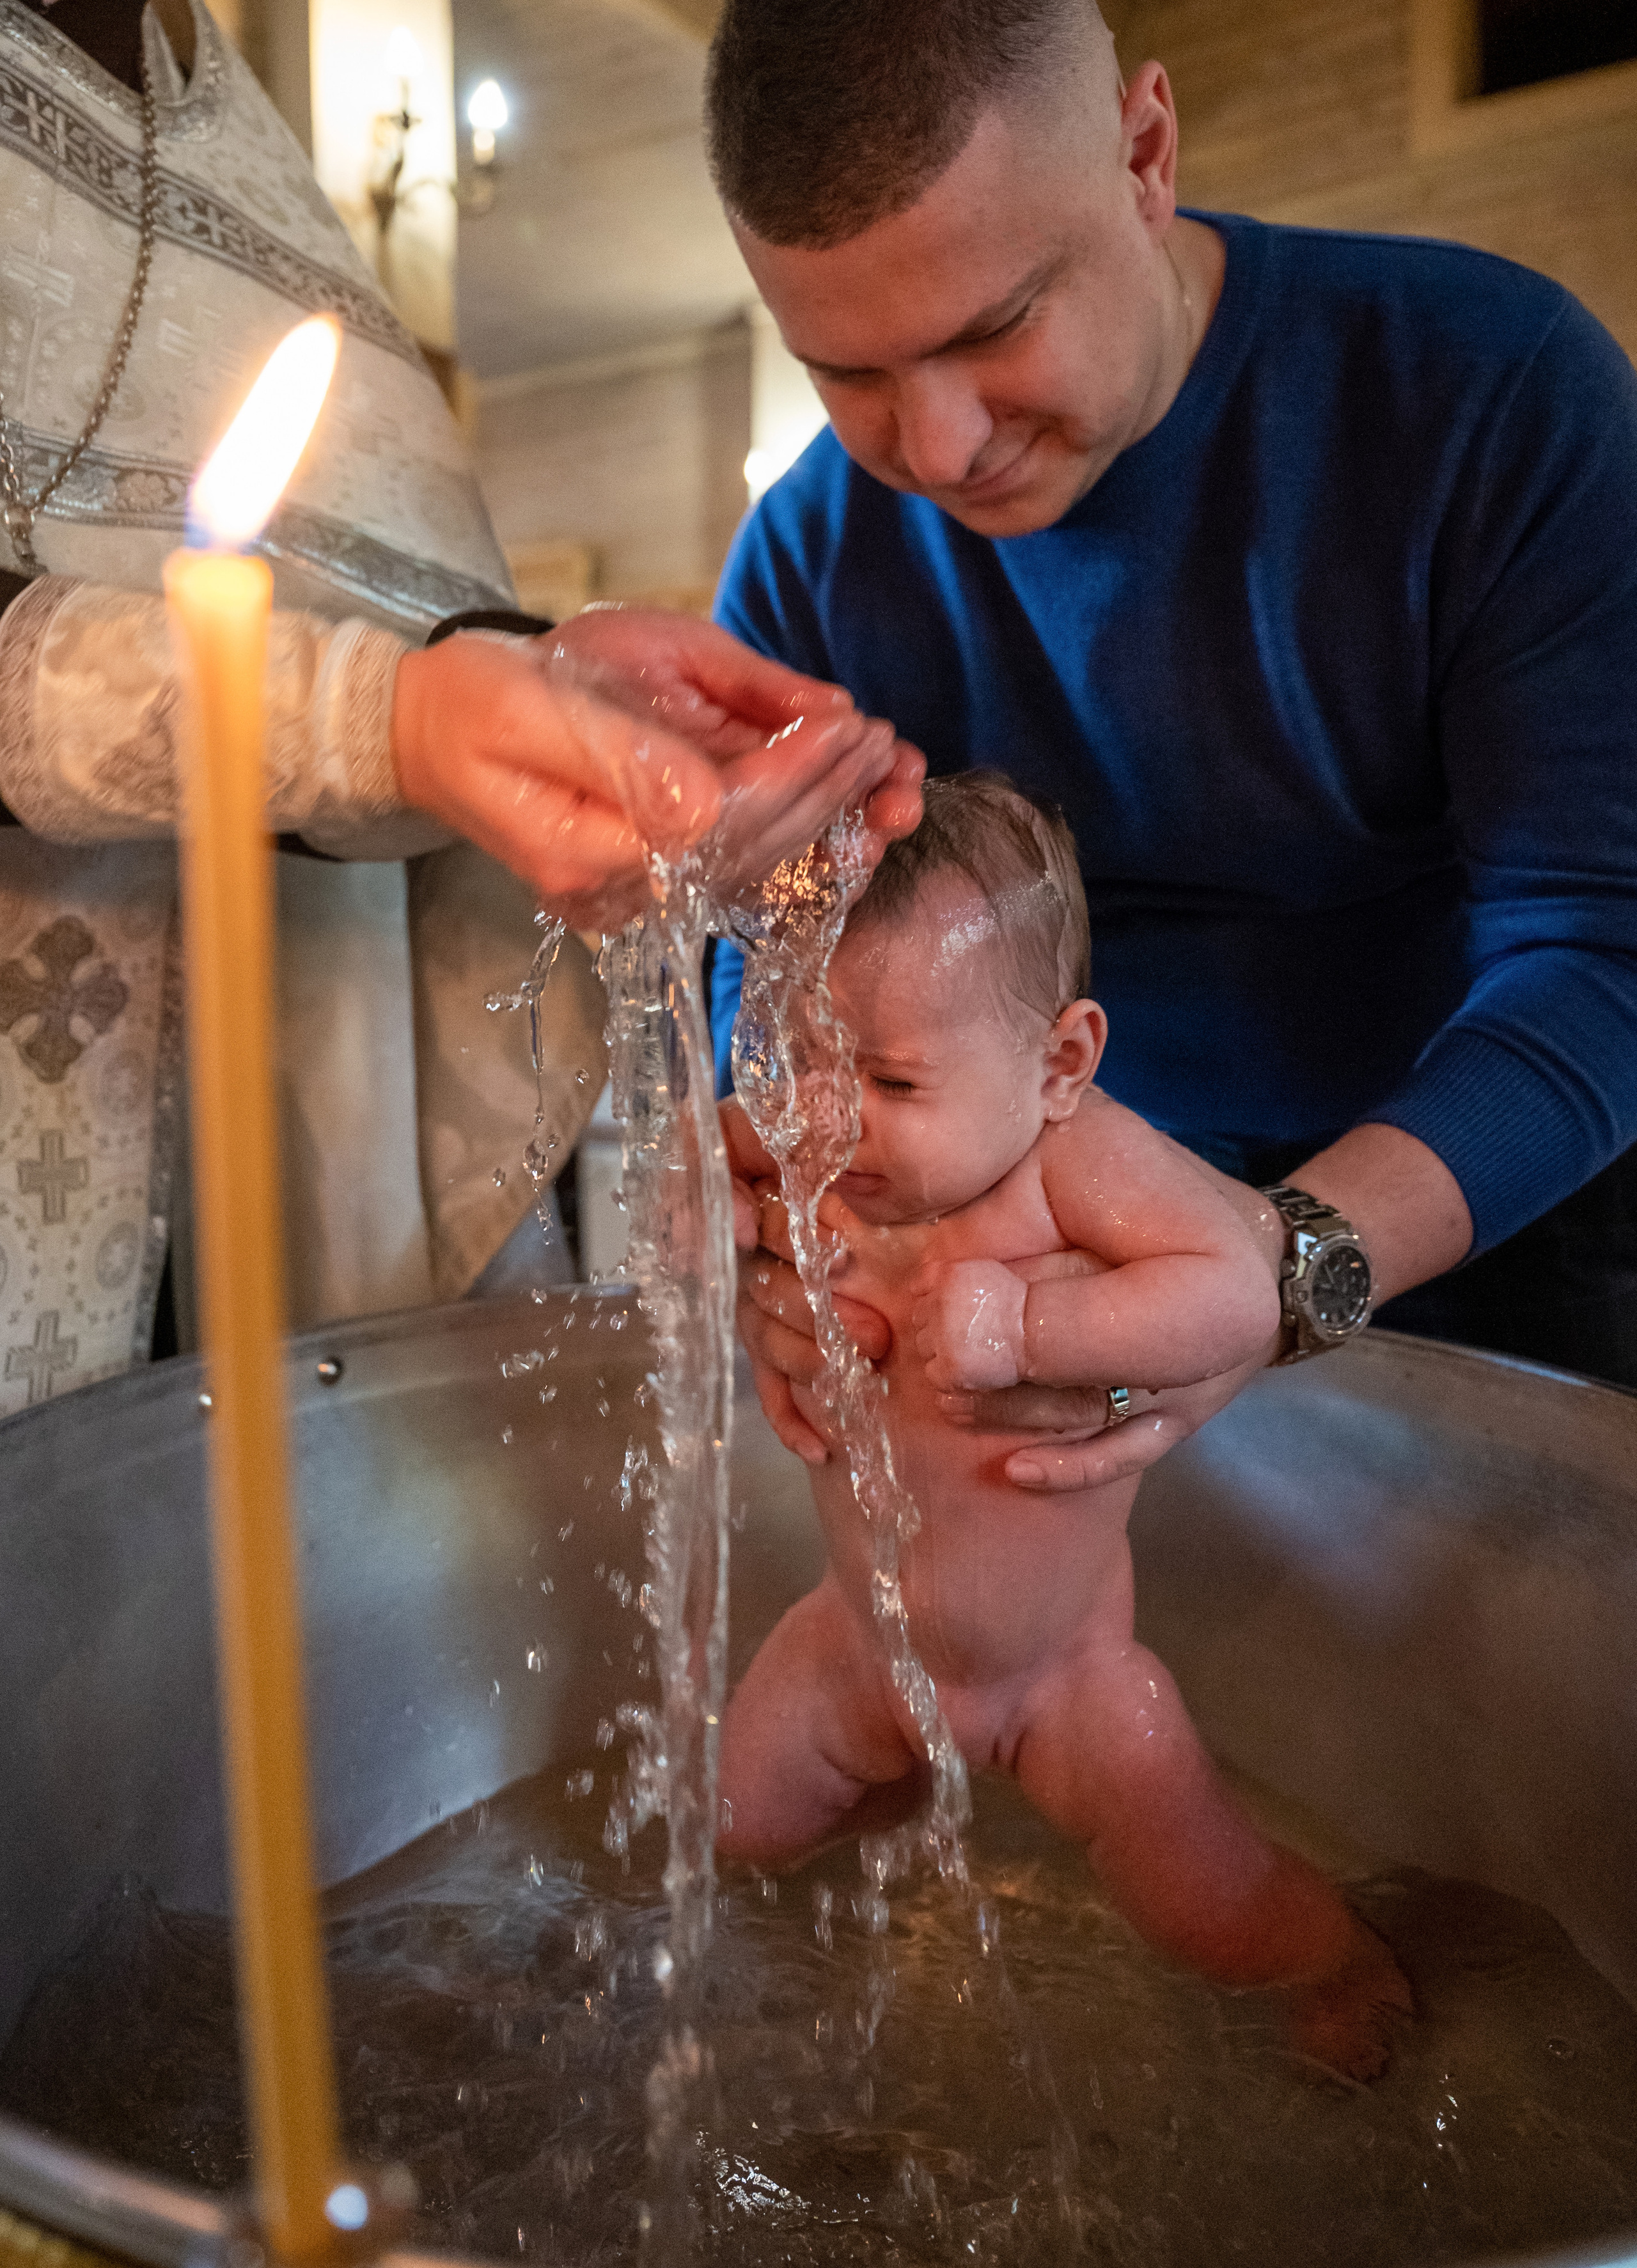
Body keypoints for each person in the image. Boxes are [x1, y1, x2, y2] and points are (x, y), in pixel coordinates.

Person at [703, 0, 1637, 1498]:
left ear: (1144, 153)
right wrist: (777, 1216)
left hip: (1487, 1203)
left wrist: (1279, 1264)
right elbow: (768, 961)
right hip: (1012, 1242)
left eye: (992, 326)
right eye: (849, 373)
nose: (935, 450)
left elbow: (1604, 943)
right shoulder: (809, 560)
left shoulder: (1490, 392)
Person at [0, 0, 920, 1415]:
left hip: (268, 1151)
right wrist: (390, 720)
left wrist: (529, 686)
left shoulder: (236, 136)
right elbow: (368, 697)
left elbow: (377, 595)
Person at [719, 775, 1412, 2079]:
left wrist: (1036, 1336)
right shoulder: (821, 1155)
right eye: (797, 1057)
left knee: (1205, 1901)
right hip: (851, 1641)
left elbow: (1226, 1282)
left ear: (1057, 1063)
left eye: (888, 1078)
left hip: (1061, 1682)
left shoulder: (1070, 1162)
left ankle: (1332, 1962)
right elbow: (709, 1154)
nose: (823, 1117)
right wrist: (735, 1245)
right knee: (723, 1835)